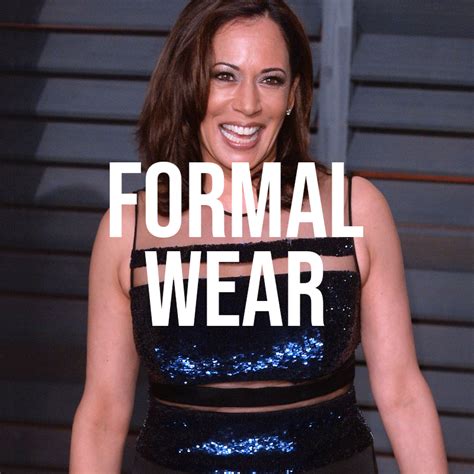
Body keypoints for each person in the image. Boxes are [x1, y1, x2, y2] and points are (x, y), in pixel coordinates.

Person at [70, 1, 448, 472]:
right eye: (224, 75)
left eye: (270, 79)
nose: (247, 104)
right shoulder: (127, 228)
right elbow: (102, 414)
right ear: (187, 83)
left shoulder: (356, 209)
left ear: (292, 95)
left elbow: (403, 394)